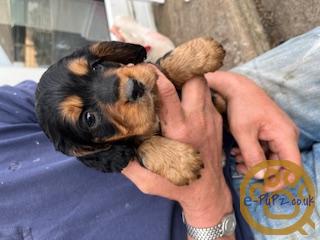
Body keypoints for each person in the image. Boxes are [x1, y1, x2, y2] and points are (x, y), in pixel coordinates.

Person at [0, 28, 319, 240]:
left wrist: (231, 86)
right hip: (250, 224)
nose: (120, 82)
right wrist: (206, 207)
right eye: (90, 118)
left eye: (98, 69)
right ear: (90, 148)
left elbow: (156, 74)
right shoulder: (99, 150)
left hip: (237, 110)